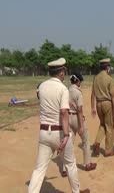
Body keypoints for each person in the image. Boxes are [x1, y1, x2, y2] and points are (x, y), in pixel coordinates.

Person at [28, 58, 89, 193]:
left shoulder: (42, 86)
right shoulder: (62, 88)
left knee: (39, 169)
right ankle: (76, 191)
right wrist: (67, 134)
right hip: (59, 133)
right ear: (62, 73)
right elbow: (63, 112)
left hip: (44, 132)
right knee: (70, 164)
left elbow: (45, 100)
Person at [61, 72, 97, 177]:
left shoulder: (66, 90)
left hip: (68, 117)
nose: (80, 83)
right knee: (86, 140)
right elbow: (80, 110)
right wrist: (81, 125)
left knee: (69, 144)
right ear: (77, 81)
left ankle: (65, 169)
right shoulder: (78, 92)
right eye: (80, 81)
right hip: (77, 117)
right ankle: (87, 163)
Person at [91, 58, 114, 157]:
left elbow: (93, 94)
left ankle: (97, 143)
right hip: (107, 103)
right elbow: (112, 96)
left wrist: (92, 107)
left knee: (102, 124)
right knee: (110, 127)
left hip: (98, 104)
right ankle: (108, 150)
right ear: (107, 67)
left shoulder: (96, 78)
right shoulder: (109, 78)